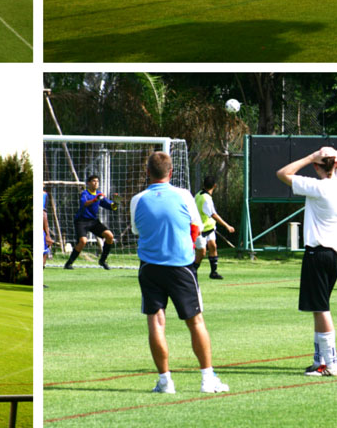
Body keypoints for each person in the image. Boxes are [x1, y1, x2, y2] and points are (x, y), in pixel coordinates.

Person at [130, 151, 229, 394]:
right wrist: (195, 257)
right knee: (196, 321)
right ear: (171, 172)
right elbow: (196, 229)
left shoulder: (137, 199)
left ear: (147, 172)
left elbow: (136, 230)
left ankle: (165, 382)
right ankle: (207, 379)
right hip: (181, 267)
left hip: (150, 268)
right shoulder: (184, 195)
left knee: (156, 321)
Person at [277, 146, 337, 378]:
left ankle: (330, 364)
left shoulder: (318, 187)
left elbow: (282, 173)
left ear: (318, 166)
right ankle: (320, 360)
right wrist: (333, 156)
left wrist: (310, 157)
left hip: (317, 254)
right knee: (320, 308)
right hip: (335, 255)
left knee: (321, 309)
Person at [63, 175, 117, 270]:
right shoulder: (85, 193)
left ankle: (102, 261)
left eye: (97, 181)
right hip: (81, 221)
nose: (96, 183)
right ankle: (68, 264)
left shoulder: (99, 194)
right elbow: (85, 203)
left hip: (93, 221)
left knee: (110, 236)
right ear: (88, 183)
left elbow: (110, 206)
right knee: (83, 241)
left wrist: (116, 203)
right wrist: (96, 199)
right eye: (93, 181)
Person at [192, 176, 236, 280]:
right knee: (202, 252)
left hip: (209, 228)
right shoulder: (205, 198)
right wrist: (227, 226)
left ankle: (213, 272)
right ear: (215, 186)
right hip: (200, 229)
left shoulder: (199, 194)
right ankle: (192, 271)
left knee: (213, 246)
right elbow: (214, 215)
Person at [42, 190, 51, 287]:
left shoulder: (44, 194)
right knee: (43, 254)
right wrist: (47, 235)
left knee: (44, 253)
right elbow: (43, 215)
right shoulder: (43, 194)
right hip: (41, 231)